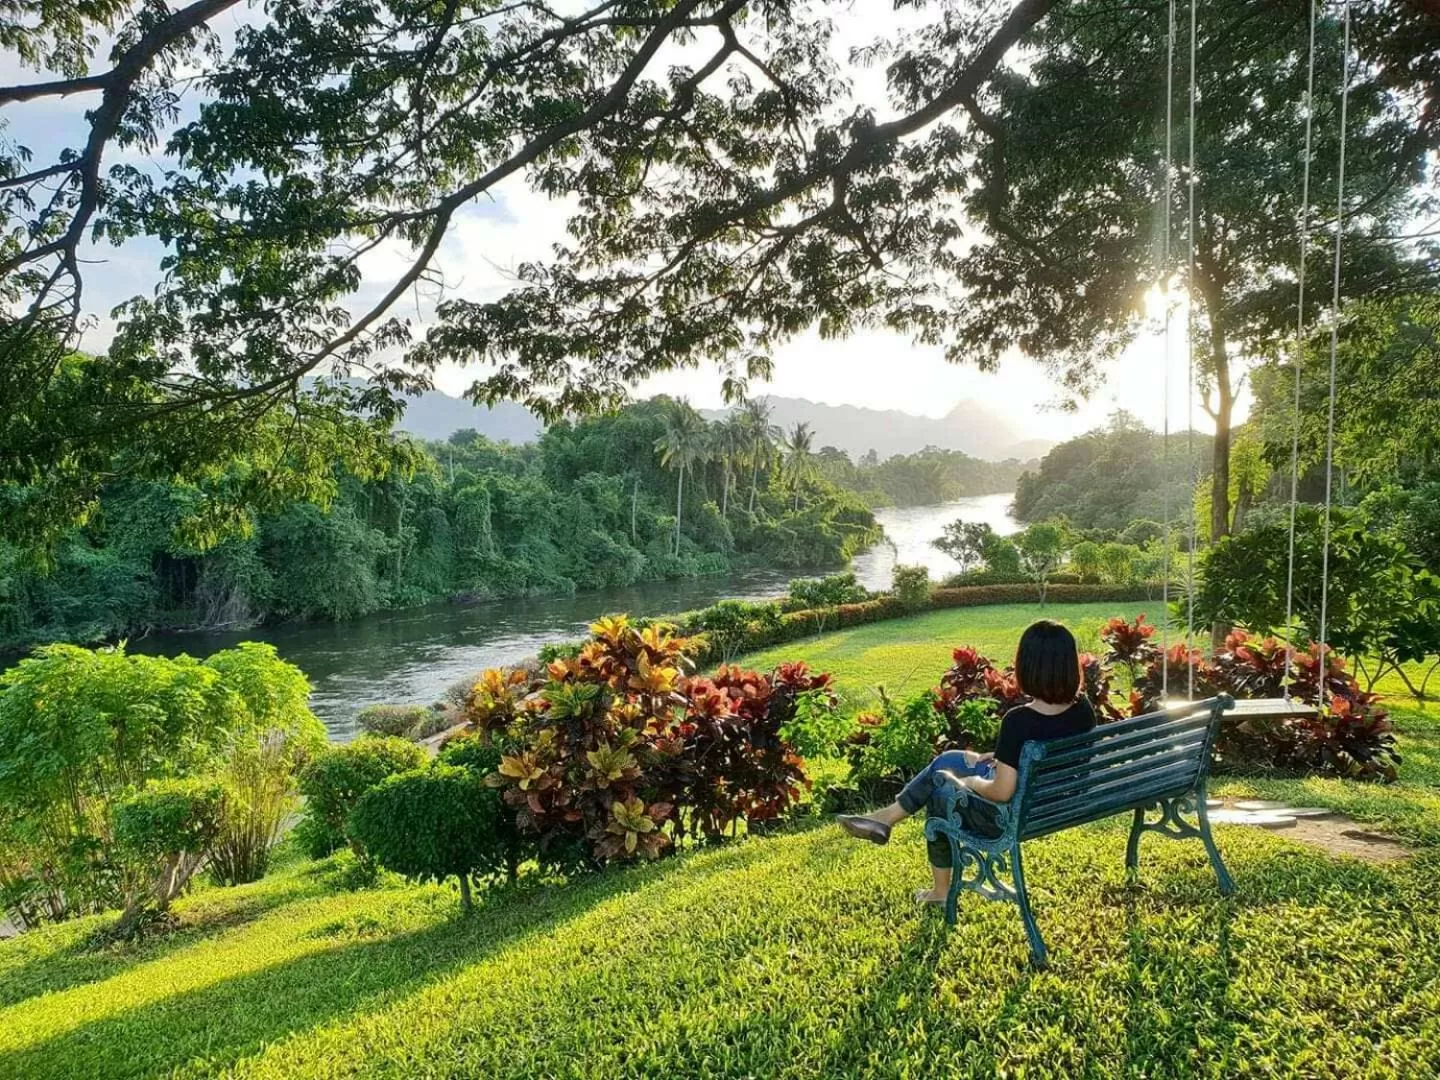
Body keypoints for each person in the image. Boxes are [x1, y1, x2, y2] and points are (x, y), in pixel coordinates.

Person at [836, 619, 1096, 904]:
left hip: (1012, 815)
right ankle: (885, 818)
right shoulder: (1082, 709)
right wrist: (1006, 758)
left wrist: (973, 782)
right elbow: (1052, 750)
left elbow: (1001, 792)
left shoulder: (1020, 722)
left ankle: (940, 891)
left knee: (940, 791)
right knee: (948, 759)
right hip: (1056, 804)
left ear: (1028, 666)